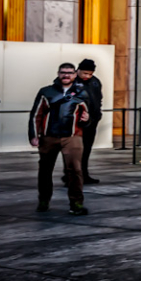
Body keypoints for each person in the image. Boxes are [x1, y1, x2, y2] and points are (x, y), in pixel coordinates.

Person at [29, 62, 92, 216]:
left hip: (72, 137)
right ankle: (43, 201)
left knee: (75, 171)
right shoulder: (46, 92)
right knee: (44, 170)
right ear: (58, 73)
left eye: (69, 72)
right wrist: (33, 135)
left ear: (75, 74)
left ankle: (76, 204)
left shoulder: (82, 93)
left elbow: (87, 116)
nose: (66, 75)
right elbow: (36, 114)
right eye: (63, 72)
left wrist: (87, 119)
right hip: (48, 137)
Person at [75, 60, 104, 184]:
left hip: (92, 120)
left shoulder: (95, 82)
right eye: (85, 73)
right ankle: (74, 176)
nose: (87, 76)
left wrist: (97, 114)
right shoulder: (71, 81)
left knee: (86, 149)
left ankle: (83, 174)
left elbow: (98, 98)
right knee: (75, 151)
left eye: (90, 74)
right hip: (76, 122)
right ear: (78, 70)